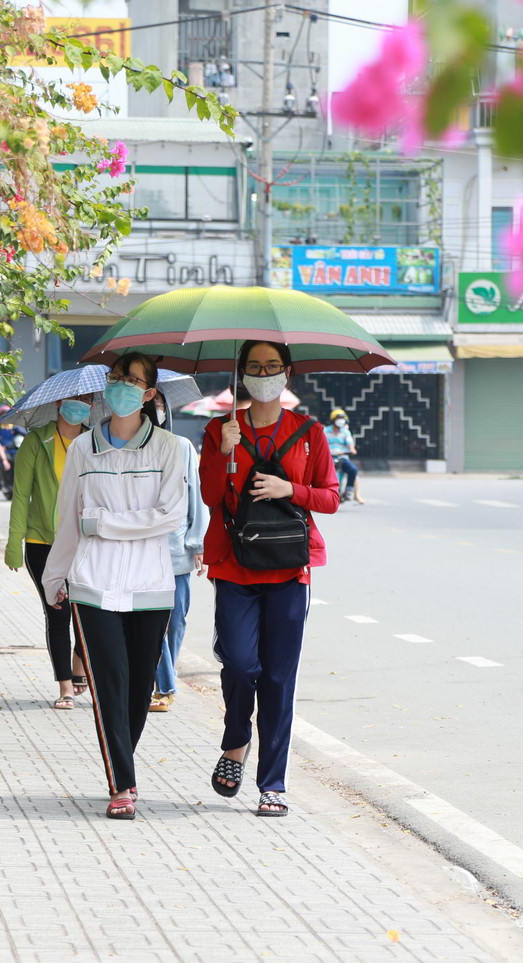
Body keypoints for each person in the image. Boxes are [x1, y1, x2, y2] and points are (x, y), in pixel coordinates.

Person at [41, 353, 187, 820]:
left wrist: (102, 523)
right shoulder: (84, 449)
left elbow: (170, 517)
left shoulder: (170, 448)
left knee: (139, 686)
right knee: (110, 685)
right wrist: (54, 576)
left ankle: (120, 760)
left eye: (132, 381)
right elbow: (69, 518)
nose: (121, 386)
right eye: (116, 379)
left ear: (148, 394)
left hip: (151, 584)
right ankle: (122, 782)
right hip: (92, 581)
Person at [200, 341, 340, 817]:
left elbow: (330, 498)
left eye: (272, 366)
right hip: (234, 566)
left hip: (288, 568)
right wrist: (222, 451)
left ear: (288, 374)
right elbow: (209, 495)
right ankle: (236, 740)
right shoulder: (220, 429)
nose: (264, 373)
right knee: (239, 663)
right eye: (255, 367)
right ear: (240, 374)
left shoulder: (309, 432)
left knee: (279, 676)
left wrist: (290, 489)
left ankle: (273, 782)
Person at [6, 394, 93, 709]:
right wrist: (14, 544)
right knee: (58, 614)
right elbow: (21, 495)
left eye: (87, 400)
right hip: (43, 542)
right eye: (73, 400)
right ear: (58, 403)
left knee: (90, 613)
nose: (80, 405)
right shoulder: (36, 440)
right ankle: (66, 687)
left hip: (85, 543)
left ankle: (80, 662)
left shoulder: (96, 441)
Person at [150, 429, 209, 712]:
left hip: (176, 548)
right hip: (140, 547)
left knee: (176, 621)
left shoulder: (182, 445)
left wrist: (198, 542)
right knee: (152, 619)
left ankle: (162, 680)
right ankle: (164, 685)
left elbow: (194, 492)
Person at [323, 408, 364, 504]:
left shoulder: (345, 432)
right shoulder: (325, 431)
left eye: (342, 418)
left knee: (353, 470)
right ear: (333, 420)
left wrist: (352, 449)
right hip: (328, 458)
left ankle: (348, 491)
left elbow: (350, 443)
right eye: (339, 418)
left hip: (342, 457)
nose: (341, 421)